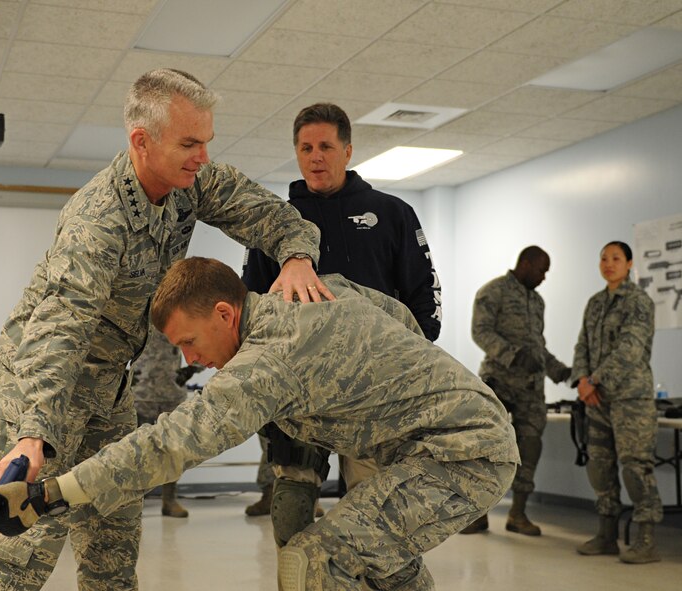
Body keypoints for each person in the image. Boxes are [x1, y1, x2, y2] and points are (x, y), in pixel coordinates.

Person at [0, 69, 329, 591]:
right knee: (20, 546)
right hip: (50, 381)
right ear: (142, 141)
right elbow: (60, 327)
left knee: (114, 533)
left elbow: (271, 215)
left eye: (206, 142)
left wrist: (295, 257)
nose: (202, 156)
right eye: (189, 143)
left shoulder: (189, 182)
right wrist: (31, 433)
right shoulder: (98, 220)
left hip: (111, 381)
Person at [0, 257, 518, 591]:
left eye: (189, 342)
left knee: (312, 562)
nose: (188, 360)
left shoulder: (268, 359)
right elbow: (395, 315)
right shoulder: (311, 290)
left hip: (463, 453)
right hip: (443, 441)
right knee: (383, 558)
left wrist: (53, 492)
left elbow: (169, 444)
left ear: (224, 312)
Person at [242, 103, 442, 532]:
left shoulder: (392, 213)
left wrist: (413, 362)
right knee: (292, 503)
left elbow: (423, 292)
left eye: (326, 147)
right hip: (297, 386)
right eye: (306, 147)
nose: (316, 156)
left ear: (347, 151)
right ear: (296, 152)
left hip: (373, 385)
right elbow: (252, 305)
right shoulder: (274, 222)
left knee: (373, 509)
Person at [461, 246, 572, 536]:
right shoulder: (493, 292)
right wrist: (513, 354)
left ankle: (518, 514)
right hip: (499, 383)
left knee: (530, 448)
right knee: (488, 449)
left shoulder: (537, 302)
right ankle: (478, 514)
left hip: (531, 389)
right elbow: (480, 331)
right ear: (525, 264)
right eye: (541, 270)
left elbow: (538, 347)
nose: (544, 277)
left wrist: (560, 371)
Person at [573, 241, 662, 564]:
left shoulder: (638, 302)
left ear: (629, 264)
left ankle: (647, 540)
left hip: (630, 400)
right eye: (603, 258)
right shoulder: (595, 303)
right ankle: (606, 535)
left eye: (616, 258)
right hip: (597, 400)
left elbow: (630, 349)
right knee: (599, 467)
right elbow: (582, 344)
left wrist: (594, 380)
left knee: (635, 469)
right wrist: (582, 381)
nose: (608, 263)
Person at [131, 328, 202, 518]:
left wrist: (192, 369)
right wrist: (125, 372)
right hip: (141, 394)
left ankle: (169, 500)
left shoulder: (174, 312)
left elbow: (199, 337)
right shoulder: (139, 313)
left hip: (171, 392)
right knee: (137, 451)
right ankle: (133, 502)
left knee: (174, 449)